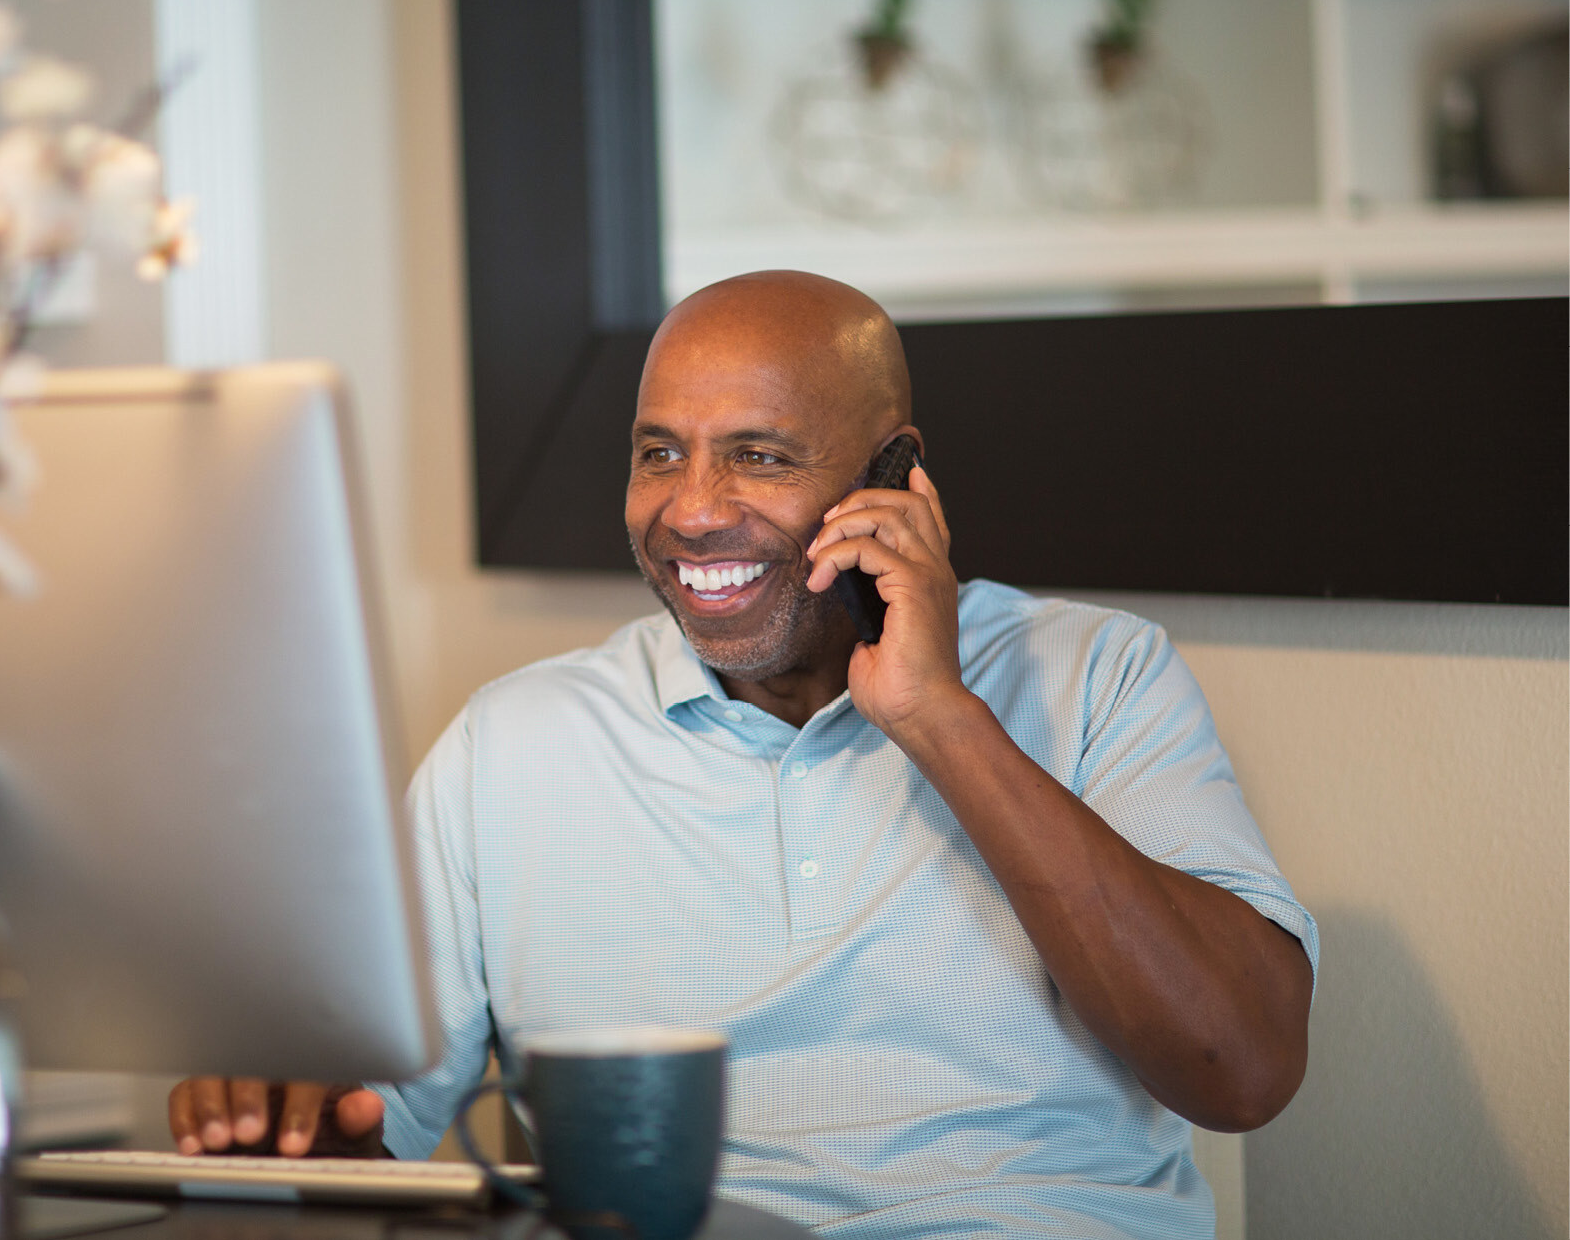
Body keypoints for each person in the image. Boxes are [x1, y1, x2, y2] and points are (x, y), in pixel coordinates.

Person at [171, 271, 1317, 1236]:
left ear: (894, 475)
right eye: (659, 452)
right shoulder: (512, 744)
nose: (692, 511)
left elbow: (1241, 1065)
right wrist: (295, 1126)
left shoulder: (1099, 674)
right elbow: (365, 1128)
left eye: (759, 457)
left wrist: (936, 714)